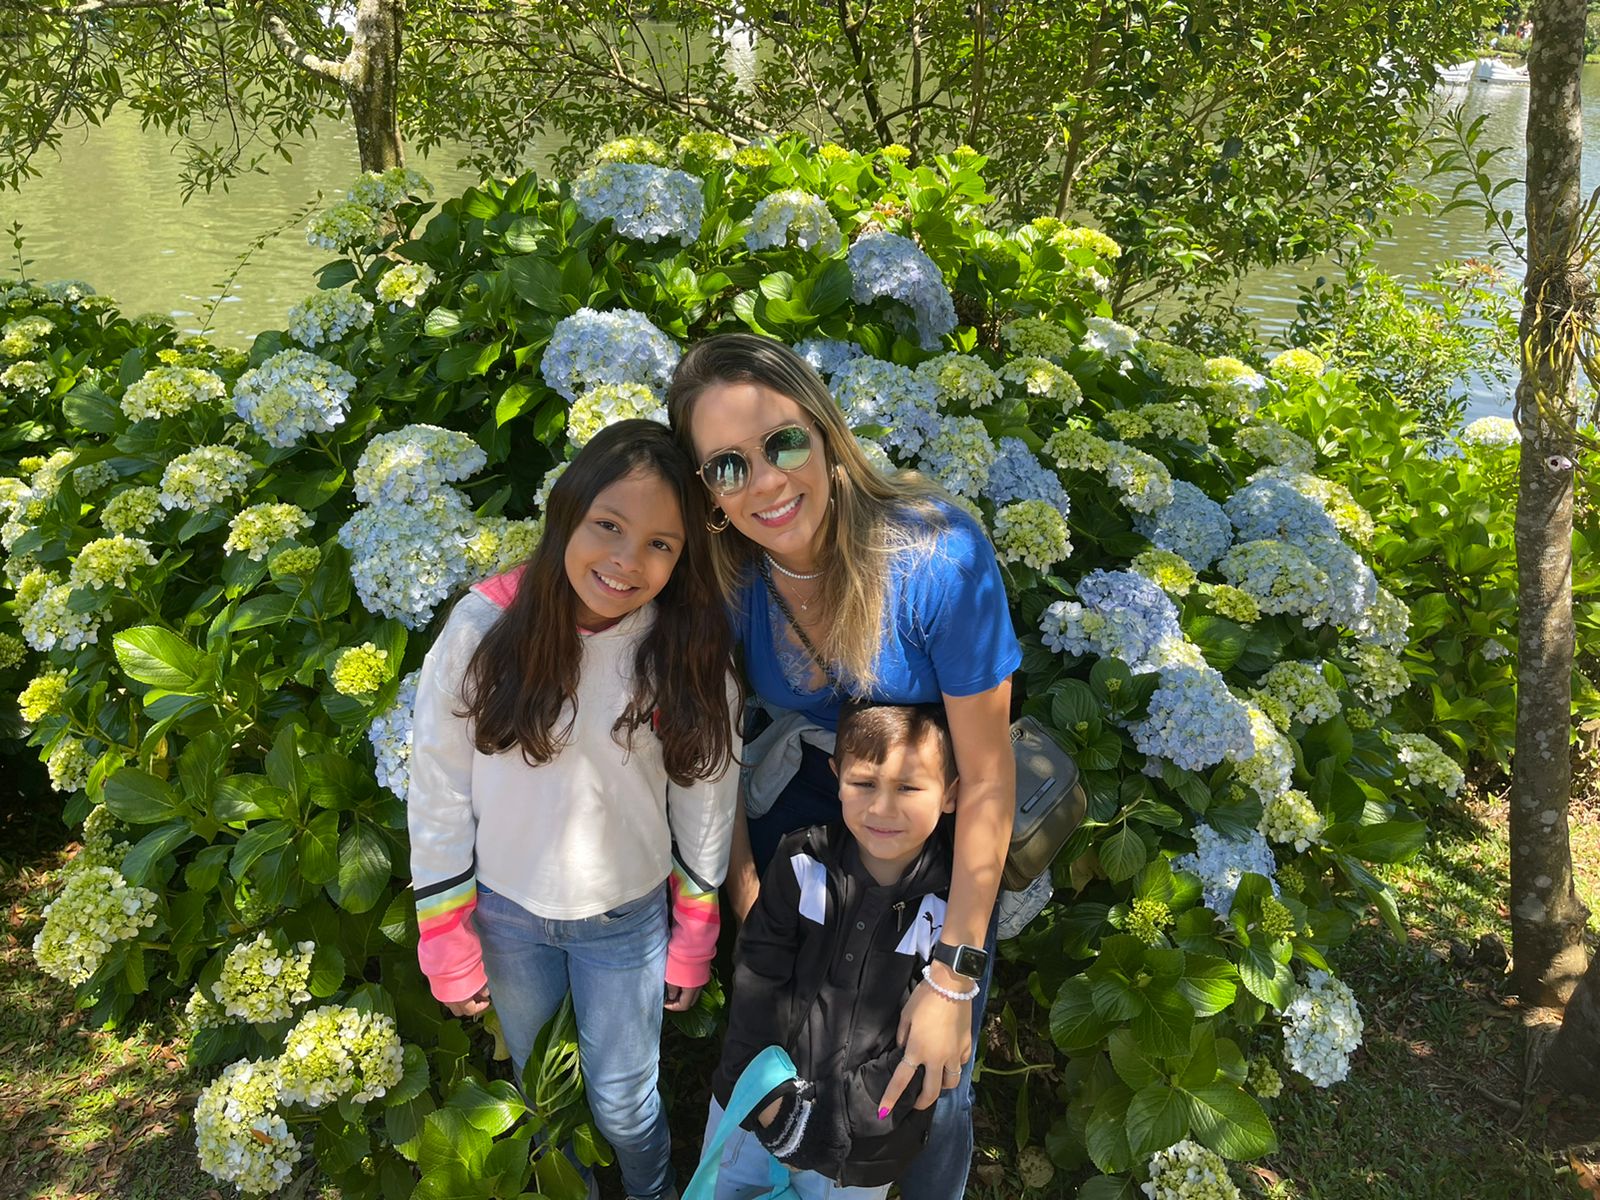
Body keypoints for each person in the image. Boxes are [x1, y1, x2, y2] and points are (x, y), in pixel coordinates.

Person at [667, 333, 1021, 1200]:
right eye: (728, 465)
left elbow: (987, 775)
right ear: (707, 492)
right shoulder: (725, 578)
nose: (766, 482)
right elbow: (713, 749)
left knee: (928, 1077)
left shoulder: (937, 559)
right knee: (789, 1059)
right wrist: (749, 894)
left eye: (783, 442)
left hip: (923, 832)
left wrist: (953, 974)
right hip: (797, 826)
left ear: (826, 433)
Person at [407, 419, 740, 1200]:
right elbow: (438, 790)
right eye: (608, 525)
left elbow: (707, 796)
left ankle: (652, 1191)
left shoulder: (684, 649)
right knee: (544, 1092)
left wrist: (696, 928)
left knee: (625, 1104)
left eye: (660, 543)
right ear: (567, 512)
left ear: (684, 556)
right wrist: (445, 935)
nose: (626, 560)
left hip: (626, 921)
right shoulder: (482, 631)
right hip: (507, 916)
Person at [701, 701, 962, 1200]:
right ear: (836, 776)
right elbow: (757, 978)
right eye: (864, 783)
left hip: (863, 1152)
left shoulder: (952, 909)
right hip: (755, 1110)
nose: (882, 808)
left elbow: (921, 1047)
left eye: (908, 788)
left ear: (949, 794)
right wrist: (772, 1105)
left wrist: (830, 1124)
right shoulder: (801, 861)